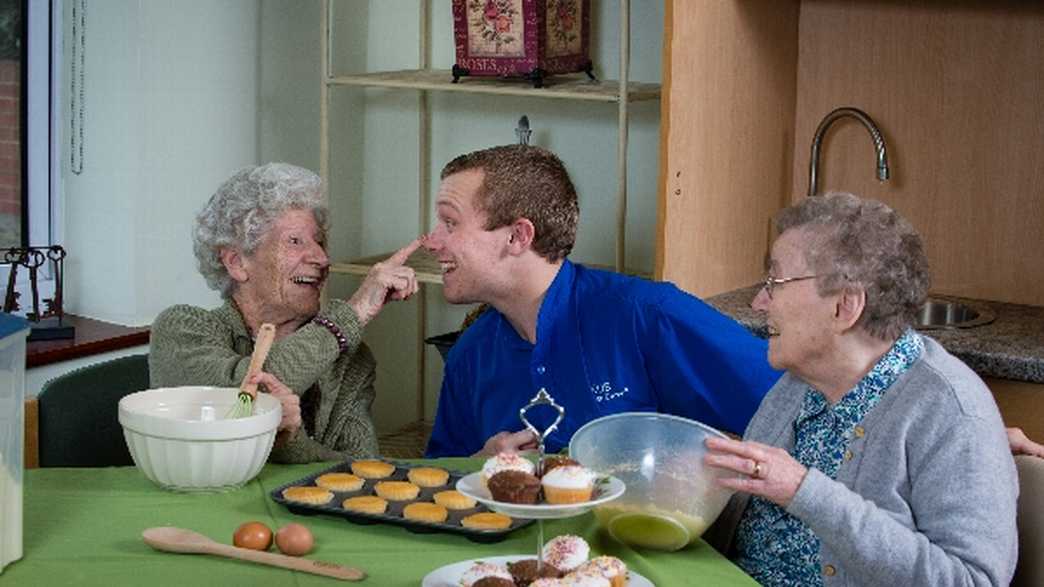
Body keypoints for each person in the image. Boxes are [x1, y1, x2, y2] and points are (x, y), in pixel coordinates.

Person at [703, 192, 1017, 586]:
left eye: (776, 282)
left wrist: (803, 489)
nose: (759, 301)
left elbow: (972, 581)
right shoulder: (799, 385)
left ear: (845, 306)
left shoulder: (951, 411)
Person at [422, 145, 782, 457]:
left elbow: (794, 409)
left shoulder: (648, 315)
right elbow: (439, 486)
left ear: (518, 236)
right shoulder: (470, 354)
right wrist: (479, 464)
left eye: (450, 224)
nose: (432, 242)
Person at [150, 163, 420, 463]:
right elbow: (247, 393)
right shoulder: (183, 330)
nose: (322, 257)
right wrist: (353, 313)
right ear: (236, 263)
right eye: (295, 241)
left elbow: (363, 469)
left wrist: (291, 443)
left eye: (319, 241)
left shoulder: (347, 357)